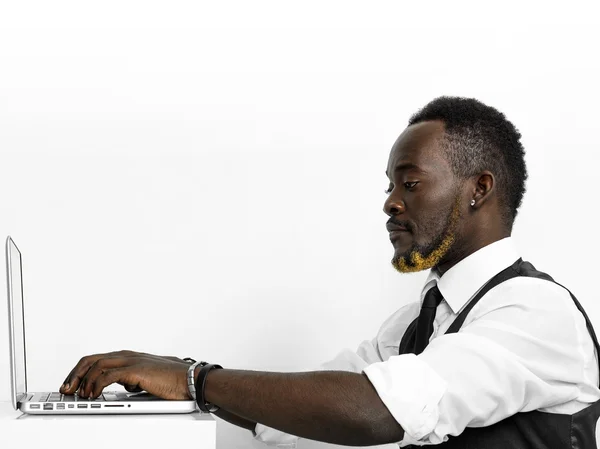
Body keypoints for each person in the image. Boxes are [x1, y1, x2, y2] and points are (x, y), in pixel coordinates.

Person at [58, 97, 600, 448]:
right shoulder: (417, 323)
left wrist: (195, 379)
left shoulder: (535, 312)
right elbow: (312, 416)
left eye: (409, 184)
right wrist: (181, 380)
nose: (390, 203)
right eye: (387, 186)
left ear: (479, 189)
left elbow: (374, 411)